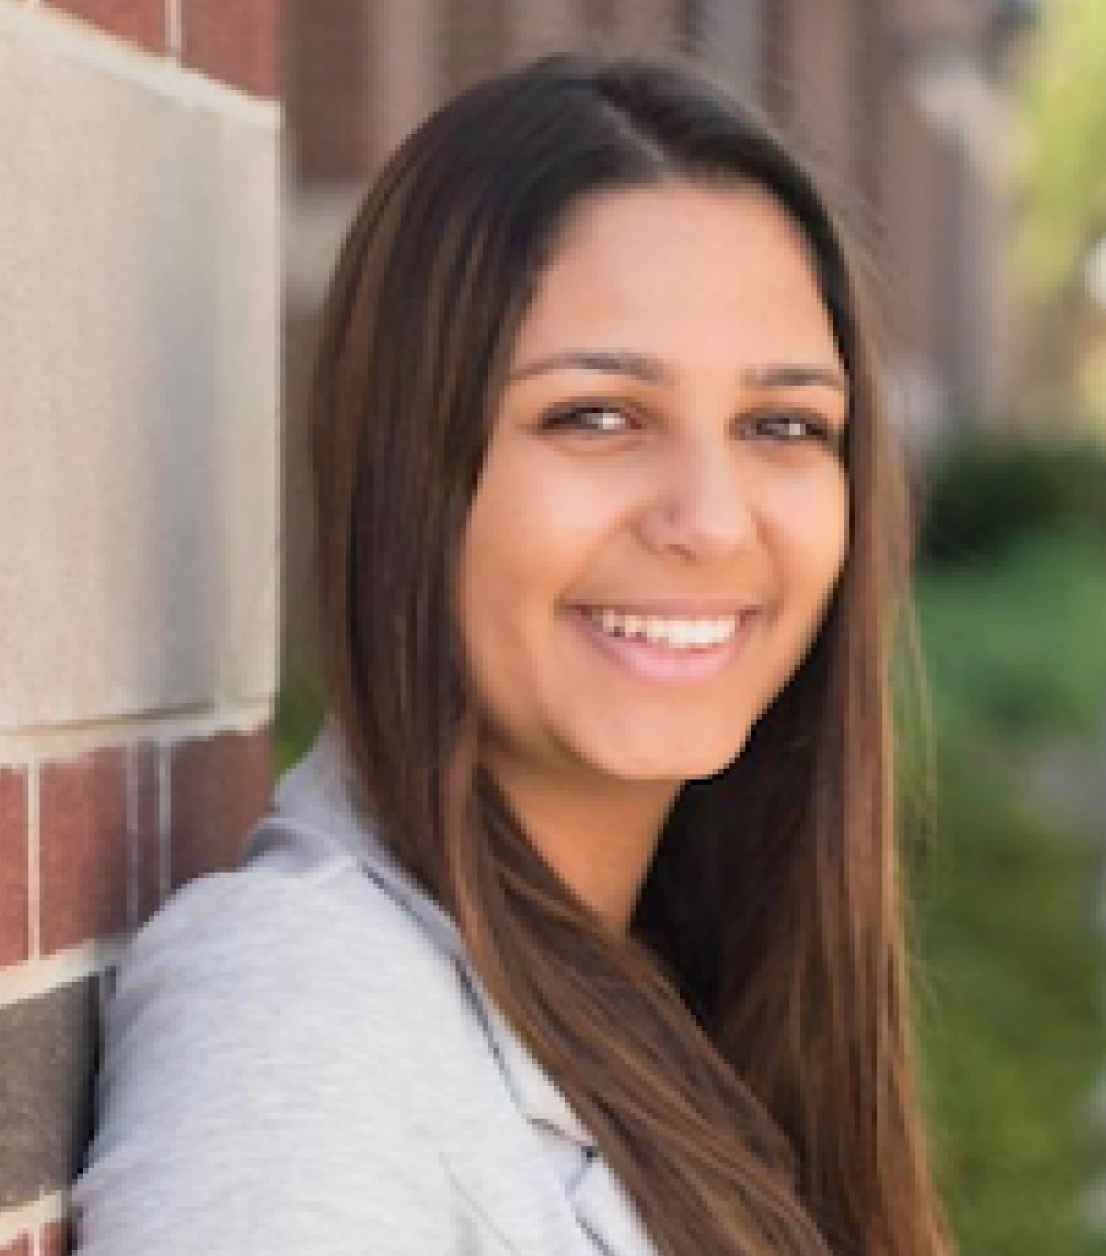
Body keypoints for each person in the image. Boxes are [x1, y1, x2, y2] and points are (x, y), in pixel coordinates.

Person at [71, 54, 951, 1256]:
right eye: (594, 414)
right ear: (411, 472)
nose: (707, 517)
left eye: (781, 425)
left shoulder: (695, 984)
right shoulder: (301, 1020)